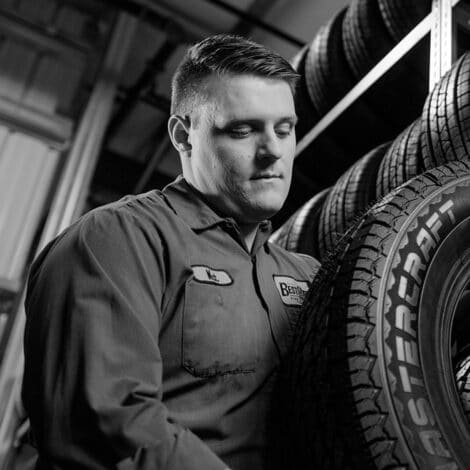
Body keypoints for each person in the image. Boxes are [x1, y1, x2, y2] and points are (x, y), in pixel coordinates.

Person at [22, 34, 320, 470]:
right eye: (242, 129)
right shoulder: (116, 240)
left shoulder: (307, 275)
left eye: (284, 129)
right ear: (183, 136)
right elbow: (107, 422)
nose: (272, 150)